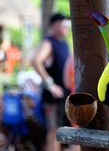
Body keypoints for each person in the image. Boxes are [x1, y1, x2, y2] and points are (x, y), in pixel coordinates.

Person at [32, 13, 70, 151]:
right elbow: (36, 61)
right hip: (52, 97)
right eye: (62, 23)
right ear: (54, 25)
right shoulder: (48, 42)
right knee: (53, 131)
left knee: (63, 130)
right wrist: (50, 84)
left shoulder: (64, 43)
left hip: (65, 94)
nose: (65, 26)